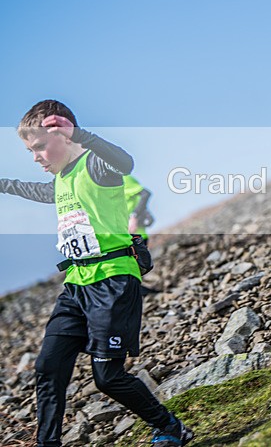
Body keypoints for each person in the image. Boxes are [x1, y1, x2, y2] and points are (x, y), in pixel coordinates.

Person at [0, 100, 192, 447]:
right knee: (48, 366)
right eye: (30, 150)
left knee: (107, 377)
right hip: (76, 285)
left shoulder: (97, 166)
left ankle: (170, 427)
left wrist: (81, 136)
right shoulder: (60, 182)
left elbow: (125, 162)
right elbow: (30, 189)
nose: (36, 157)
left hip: (113, 282)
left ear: (65, 134)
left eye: (40, 146)